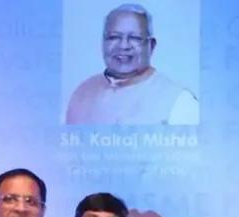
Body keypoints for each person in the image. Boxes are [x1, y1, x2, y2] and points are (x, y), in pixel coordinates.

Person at [65, 3, 198, 126]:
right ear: (103, 43)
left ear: (151, 46)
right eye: (114, 37)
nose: (123, 46)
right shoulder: (82, 93)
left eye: (135, 38)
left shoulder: (180, 102)